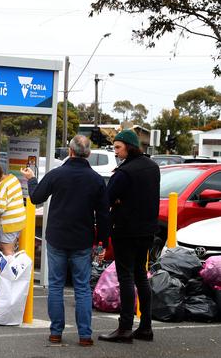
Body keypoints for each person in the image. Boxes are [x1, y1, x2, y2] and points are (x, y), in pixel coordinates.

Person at [21, 134, 109, 347]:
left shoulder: (57, 174)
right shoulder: (96, 180)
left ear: (70, 151)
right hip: (82, 239)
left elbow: (36, 198)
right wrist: (102, 242)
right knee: (82, 288)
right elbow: (104, 214)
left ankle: (55, 332)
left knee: (56, 286)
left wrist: (31, 179)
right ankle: (85, 335)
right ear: (87, 154)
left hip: (57, 237)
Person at [99, 130, 159, 344]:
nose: (115, 151)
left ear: (129, 146)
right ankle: (145, 327)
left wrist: (116, 203)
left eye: (118, 147)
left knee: (125, 276)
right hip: (147, 230)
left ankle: (124, 328)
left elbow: (106, 199)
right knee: (141, 276)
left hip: (125, 230)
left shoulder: (124, 172)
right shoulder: (152, 167)